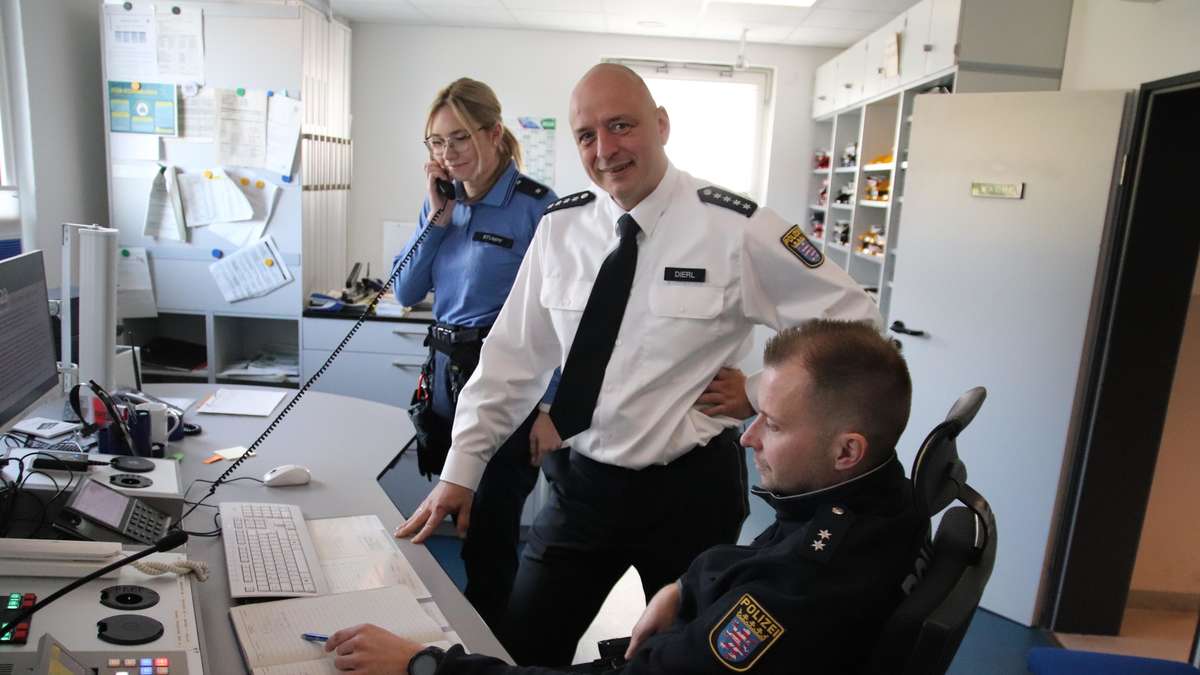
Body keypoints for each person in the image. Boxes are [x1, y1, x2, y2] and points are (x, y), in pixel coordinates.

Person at [396, 63, 883, 666]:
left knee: (686, 661)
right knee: (523, 647)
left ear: (661, 126)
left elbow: (856, 321)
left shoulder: (736, 228)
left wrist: (760, 392)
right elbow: (510, 361)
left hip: (690, 494)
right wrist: (460, 472)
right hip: (582, 487)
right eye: (586, 135)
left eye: (621, 126)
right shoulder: (560, 229)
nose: (605, 149)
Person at [325, 320, 927, 674]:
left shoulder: (805, 585)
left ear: (846, 449)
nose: (747, 437)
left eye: (771, 422)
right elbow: (760, 555)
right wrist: (683, 587)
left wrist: (425, 666)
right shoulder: (862, 496)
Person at [392, 77, 561, 628]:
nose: (448, 153)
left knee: (490, 532)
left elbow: (565, 319)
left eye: (460, 138)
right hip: (445, 376)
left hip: (507, 385)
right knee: (453, 515)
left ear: (493, 133)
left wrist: (550, 407)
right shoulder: (444, 204)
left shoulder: (538, 208)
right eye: (436, 142)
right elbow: (405, 291)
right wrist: (436, 219)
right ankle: (462, 632)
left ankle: (491, 649)